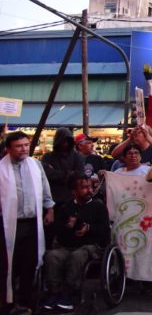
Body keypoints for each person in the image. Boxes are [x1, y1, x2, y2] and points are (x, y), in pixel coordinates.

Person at [0, 131, 55, 313]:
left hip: (32, 223)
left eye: (25, 145)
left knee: (29, 263)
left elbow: (45, 190)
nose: (24, 149)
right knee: (8, 265)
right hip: (8, 225)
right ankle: (8, 302)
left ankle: (26, 301)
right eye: (18, 146)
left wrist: (50, 209)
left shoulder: (35, 165)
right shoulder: (1, 169)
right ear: (8, 149)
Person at [42, 173, 109, 312]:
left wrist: (88, 228)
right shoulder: (66, 207)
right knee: (52, 256)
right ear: (74, 191)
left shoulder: (98, 206)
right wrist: (69, 227)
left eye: (90, 187)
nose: (89, 190)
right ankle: (54, 293)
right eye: (84, 188)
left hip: (90, 246)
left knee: (77, 256)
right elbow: (58, 231)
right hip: (67, 245)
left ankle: (69, 292)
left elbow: (104, 230)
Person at [41, 128, 85, 208]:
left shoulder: (77, 157)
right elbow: (47, 174)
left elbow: (79, 174)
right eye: (63, 141)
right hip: (53, 197)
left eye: (68, 141)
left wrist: (57, 172)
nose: (65, 144)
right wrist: (69, 173)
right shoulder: (48, 157)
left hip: (72, 197)